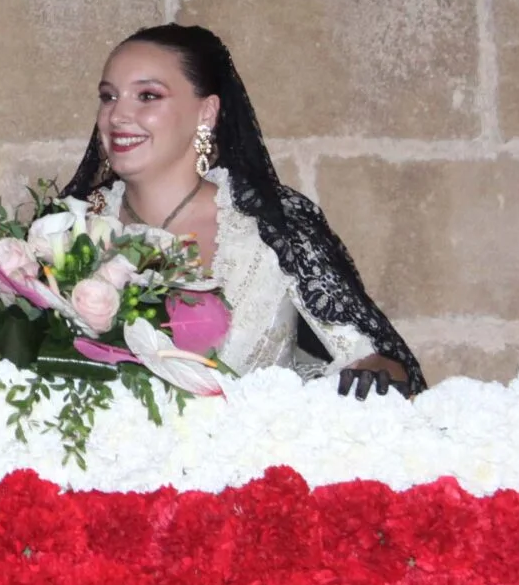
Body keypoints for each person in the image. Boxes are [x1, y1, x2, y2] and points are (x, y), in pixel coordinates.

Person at [65, 23, 427, 397]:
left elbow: (372, 356)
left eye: (147, 96)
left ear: (206, 112)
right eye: (109, 97)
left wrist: (374, 374)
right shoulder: (65, 233)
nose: (118, 115)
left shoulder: (271, 225)